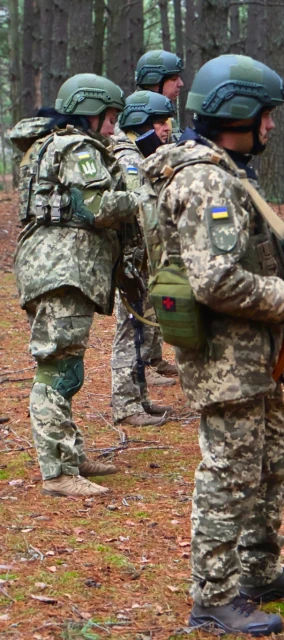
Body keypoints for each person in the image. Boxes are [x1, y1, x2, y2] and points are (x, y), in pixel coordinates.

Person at [141, 54, 284, 636]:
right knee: (231, 474)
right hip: (226, 360)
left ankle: (258, 573)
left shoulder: (229, 172)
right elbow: (214, 280)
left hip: (256, 353)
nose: (271, 126)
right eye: (266, 115)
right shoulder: (206, 180)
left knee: (274, 460)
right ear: (239, 112)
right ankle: (213, 598)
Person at [11, 74, 141, 497]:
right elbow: (100, 206)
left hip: (57, 267)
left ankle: (69, 453)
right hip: (61, 269)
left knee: (68, 364)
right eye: (110, 117)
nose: (113, 126)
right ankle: (57, 473)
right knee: (55, 367)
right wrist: (147, 196)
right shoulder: (76, 146)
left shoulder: (51, 144)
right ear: (90, 110)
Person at [110, 91, 180, 427]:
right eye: (159, 121)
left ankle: (139, 399)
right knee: (129, 327)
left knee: (139, 327)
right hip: (130, 258)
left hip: (142, 256)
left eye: (167, 120)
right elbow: (140, 207)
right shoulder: (127, 157)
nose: (167, 127)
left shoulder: (142, 152)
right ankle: (125, 405)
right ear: (140, 122)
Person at [135, 50, 185, 141]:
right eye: (174, 79)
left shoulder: (164, 116)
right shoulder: (134, 118)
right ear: (155, 82)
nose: (181, 84)